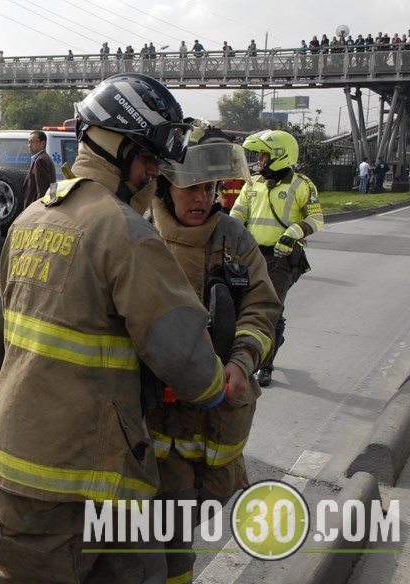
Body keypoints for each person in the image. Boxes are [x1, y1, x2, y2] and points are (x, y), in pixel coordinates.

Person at [0, 73, 229, 583]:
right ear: (120, 148)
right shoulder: (127, 233)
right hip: (94, 466)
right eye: (149, 160)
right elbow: (184, 356)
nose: (153, 176)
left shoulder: (34, 218)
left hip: (33, 460)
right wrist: (215, 384)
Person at [146, 141, 280, 584]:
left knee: (184, 521)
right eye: (191, 188)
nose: (203, 199)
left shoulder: (233, 237)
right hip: (155, 417)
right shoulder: (140, 234)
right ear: (165, 186)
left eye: (210, 188)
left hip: (217, 417)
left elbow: (261, 306)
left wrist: (241, 362)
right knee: (154, 533)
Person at [231, 130, 324, 387]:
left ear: (279, 156)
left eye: (263, 155)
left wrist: (292, 234)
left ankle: (266, 364)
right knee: (242, 307)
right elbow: (239, 211)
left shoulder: (302, 185)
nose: (259, 160)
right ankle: (250, 350)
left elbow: (315, 219)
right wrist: (231, 231)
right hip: (251, 255)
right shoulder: (253, 183)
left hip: (282, 258)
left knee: (271, 310)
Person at [21, 130, 56, 210]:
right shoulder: (42, 158)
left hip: (35, 209)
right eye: (28, 142)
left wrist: (38, 210)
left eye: (32, 142)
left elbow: (42, 191)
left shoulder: (41, 160)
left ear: (42, 143)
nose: (29, 145)